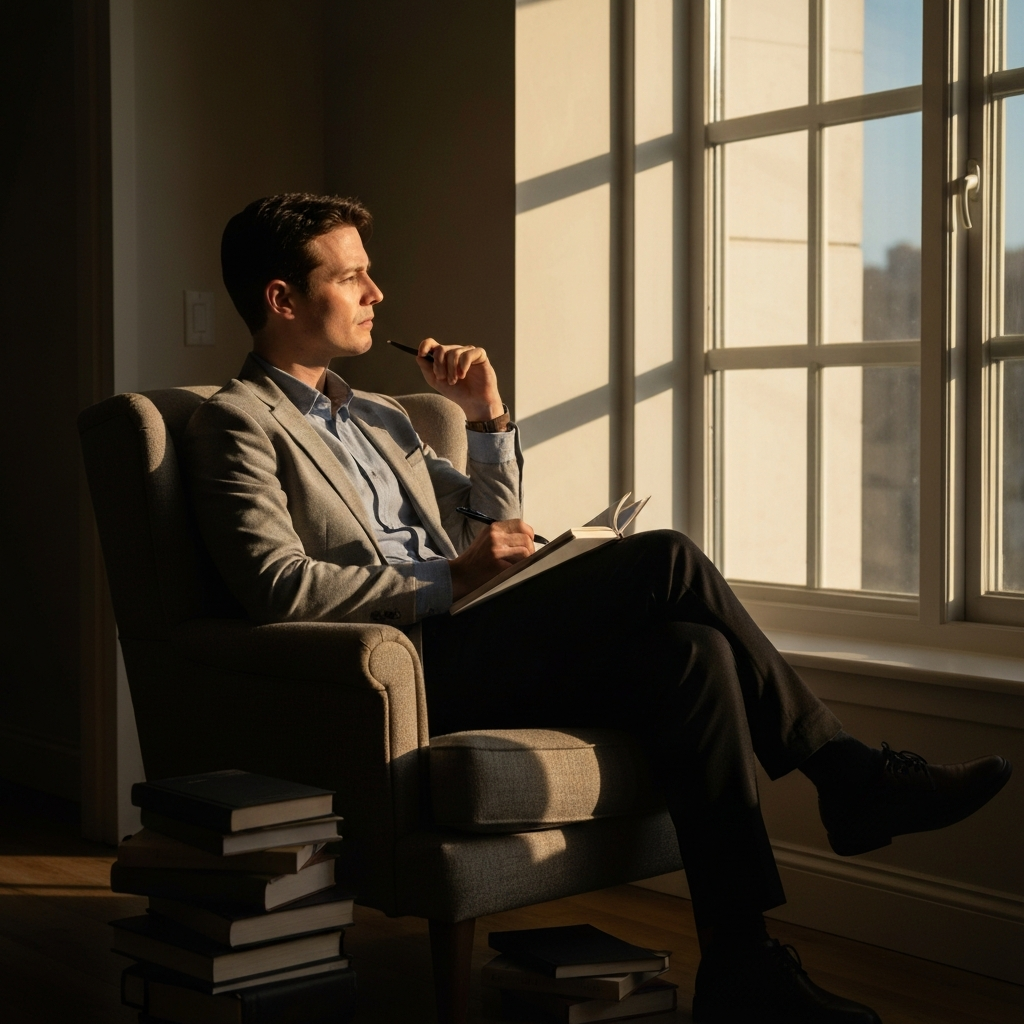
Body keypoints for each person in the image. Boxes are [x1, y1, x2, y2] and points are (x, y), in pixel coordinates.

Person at [184, 193, 1012, 1024]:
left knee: (695, 651)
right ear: (283, 298)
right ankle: (847, 774)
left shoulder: (380, 416)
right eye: (354, 276)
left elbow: (488, 524)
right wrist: (451, 582)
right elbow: (275, 584)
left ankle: (741, 967)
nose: (378, 293)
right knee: (668, 556)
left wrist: (487, 418)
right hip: (407, 662)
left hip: (479, 632)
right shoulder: (237, 423)